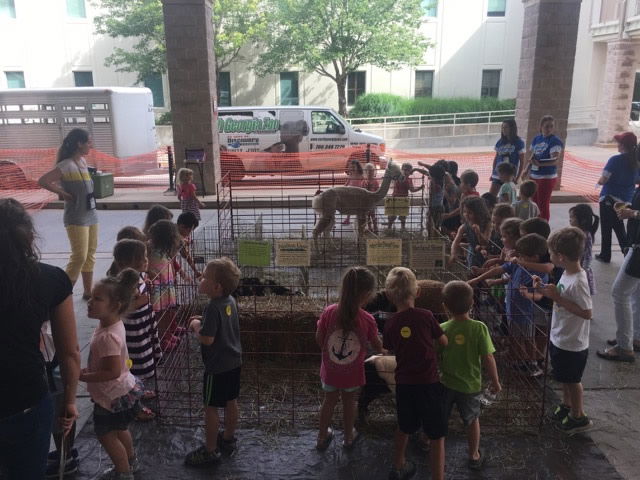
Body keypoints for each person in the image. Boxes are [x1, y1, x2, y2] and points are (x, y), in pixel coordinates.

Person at [0, 199, 80, 480]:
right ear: (29, 237)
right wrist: (69, 401)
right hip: (27, 401)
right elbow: (70, 353)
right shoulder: (51, 280)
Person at [383, 267, 448, 480]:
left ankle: (398, 465)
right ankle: (438, 476)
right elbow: (443, 341)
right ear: (418, 292)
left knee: (404, 426)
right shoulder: (426, 316)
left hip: (404, 384)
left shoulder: (390, 323)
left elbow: (389, 348)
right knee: (436, 434)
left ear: (389, 295)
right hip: (429, 382)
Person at [81, 269, 142, 480]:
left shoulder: (107, 336)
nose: (89, 302)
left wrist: (84, 376)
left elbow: (112, 371)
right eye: (91, 297)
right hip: (122, 392)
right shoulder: (113, 324)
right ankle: (131, 461)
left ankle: (123, 472)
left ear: (115, 306)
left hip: (111, 396)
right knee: (119, 428)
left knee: (107, 436)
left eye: (97, 299)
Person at [315, 267, 383, 450]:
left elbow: (319, 337)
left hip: (330, 369)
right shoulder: (367, 319)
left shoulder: (329, 312)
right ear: (368, 294)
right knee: (349, 402)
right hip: (352, 373)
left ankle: (322, 436)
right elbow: (376, 345)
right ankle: (348, 437)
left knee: (328, 400)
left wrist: (327, 353)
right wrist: (384, 350)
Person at [533, 227, 593, 433]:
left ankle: (579, 416)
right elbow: (560, 294)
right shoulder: (567, 273)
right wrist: (543, 288)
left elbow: (587, 312)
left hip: (573, 342)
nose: (548, 256)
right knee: (564, 377)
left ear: (560, 256)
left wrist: (557, 298)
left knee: (573, 380)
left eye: (550, 253)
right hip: (561, 335)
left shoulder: (579, 281)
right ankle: (567, 406)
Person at [186, 258, 243, 466]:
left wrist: (195, 326)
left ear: (216, 286)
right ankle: (228, 438)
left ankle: (210, 450)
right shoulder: (230, 301)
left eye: (204, 277)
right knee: (231, 401)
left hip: (216, 367)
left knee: (210, 407)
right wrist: (204, 320)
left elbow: (208, 339)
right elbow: (221, 324)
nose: (200, 278)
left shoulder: (212, 307)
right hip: (234, 362)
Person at [439, 281, 501, 470]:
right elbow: (488, 357)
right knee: (472, 420)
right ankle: (474, 455)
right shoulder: (479, 328)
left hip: (445, 383)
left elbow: (434, 355)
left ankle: (428, 440)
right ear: (472, 302)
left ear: (444, 306)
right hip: (470, 386)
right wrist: (495, 381)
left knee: (440, 417)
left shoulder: (441, 328)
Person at [470, 233, 549, 376]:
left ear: (535, 257)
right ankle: (519, 361)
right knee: (516, 337)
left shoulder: (539, 274)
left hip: (525, 313)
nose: (519, 258)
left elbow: (540, 295)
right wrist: (478, 278)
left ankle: (532, 364)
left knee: (527, 339)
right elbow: (498, 269)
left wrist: (528, 295)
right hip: (512, 309)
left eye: (523, 256)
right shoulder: (517, 265)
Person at [38, 128, 99, 299]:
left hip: (91, 214)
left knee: (89, 255)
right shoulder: (66, 165)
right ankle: (62, 294)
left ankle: (88, 291)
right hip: (76, 218)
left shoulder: (83, 162)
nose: (90, 145)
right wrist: (63, 194)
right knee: (79, 256)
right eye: (88, 142)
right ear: (79, 144)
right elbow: (43, 181)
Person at [109, 239, 161, 420]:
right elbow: (120, 308)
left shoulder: (137, 277)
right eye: (142, 257)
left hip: (144, 327)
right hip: (133, 334)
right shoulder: (122, 284)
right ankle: (134, 407)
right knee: (134, 368)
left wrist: (146, 284)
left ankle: (140, 390)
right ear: (124, 263)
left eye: (146, 256)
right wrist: (141, 301)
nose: (146, 260)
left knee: (145, 361)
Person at [597, 181, 640, 362]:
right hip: (634, 242)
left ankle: (624, 347)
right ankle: (634, 337)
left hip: (638, 248)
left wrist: (633, 213)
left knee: (619, 293)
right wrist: (630, 208)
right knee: (636, 293)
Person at [595, 131, 638, 263]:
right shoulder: (636, 162)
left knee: (607, 228)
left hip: (609, 198)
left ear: (623, 145)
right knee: (619, 227)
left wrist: (598, 182)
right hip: (626, 200)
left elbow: (604, 179)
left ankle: (608, 254)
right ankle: (626, 253)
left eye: (619, 142)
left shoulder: (615, 160)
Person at [147, 220, 182, 351]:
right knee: (160, 316)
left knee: (167, 312)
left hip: (166, 286)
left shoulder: (165, 251)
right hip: (158, 288)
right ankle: (162, 340)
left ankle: (167, 334)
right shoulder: (151, 250)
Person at [522, 115, 563, 221]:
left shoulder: (555, 141)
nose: (548, 129)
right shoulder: (537, 138)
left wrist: (540, 165)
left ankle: (543, 226)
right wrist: (526, 168)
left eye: (551, 126)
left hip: (547, 176)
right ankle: (535, 222)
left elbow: (555, 160)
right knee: (534, 201)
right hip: (534, 174)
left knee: (543, 203)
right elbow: (533, 155)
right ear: (541, 127)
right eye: (546, 126)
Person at [449, 196, 492, 268]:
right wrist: (453, 253)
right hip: (472, 255)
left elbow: (485, 242)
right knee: (471, 271)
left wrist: (478, 233)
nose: (466, 215)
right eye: (464, 212)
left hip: (487, 255)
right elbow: (455, 242)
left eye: (470, 212)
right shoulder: (464, 226)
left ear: (478, 213)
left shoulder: (487, 224)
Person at [569, 204, 599, 295]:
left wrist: (583, 271)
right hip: (572, 267)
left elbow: (588, 256)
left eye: (572, 217)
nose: (570, 219)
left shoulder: (586, 236)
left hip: (580, 269)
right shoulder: (573, 232)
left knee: (581, 295)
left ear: (583, 220)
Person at [490, 119, 525, 196]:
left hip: (509, 175)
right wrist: (492, 173)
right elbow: (496, 158)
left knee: (507, 198)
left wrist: (518, 177)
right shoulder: (500, 142)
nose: (503, 130)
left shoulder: (519, 142)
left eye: (506, 127)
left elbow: (522, 161)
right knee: (491, 196)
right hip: (497, 173)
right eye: (502, 127)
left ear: (512, 128)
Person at [388, 162, 424, 230]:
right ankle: (396, 229)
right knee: (397, 216)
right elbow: (412, 190)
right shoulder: (405, 179)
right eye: (405, 170)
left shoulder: (398, 178)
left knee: (397, 216)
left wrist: (420, 188)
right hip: (399, 198)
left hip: (397, 198)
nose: (405, 171)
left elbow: (412, 190)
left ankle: (396, 229)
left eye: (407, 170)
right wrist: (420, 188)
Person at [342, 159, 365, 225]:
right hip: (351, 193)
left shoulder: (361, 175)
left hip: (359, 193)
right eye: (351, 167)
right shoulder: (351, 174)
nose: (352, 169)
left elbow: (364, 183)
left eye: (354, 167)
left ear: (358, 167)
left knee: (358, 207)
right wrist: (343, 187)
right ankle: (348, 219)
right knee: (349, 206)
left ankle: (358, 219)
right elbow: (347, 182)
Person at [362, 163, 380, 234]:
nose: (370, 173)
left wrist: (376, 198)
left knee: (373, 215)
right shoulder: (364, 181)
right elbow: (362, 190)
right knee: (367, 216)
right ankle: (370, 228)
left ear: (374, 172)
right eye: (368, 171)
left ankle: (375, 228)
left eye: (371, 171)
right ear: (365, 172)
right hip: (366, 201)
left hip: (372, 201)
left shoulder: (375, 181)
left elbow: (377, 190)